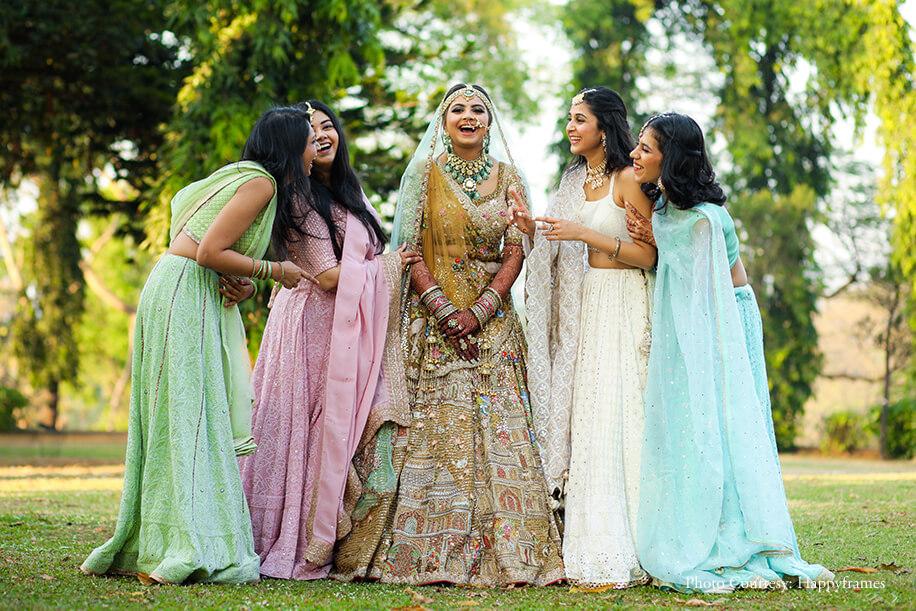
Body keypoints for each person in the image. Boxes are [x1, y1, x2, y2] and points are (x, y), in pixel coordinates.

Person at [332, 84, 564, 586]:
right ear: (444, 122)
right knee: (427, 432)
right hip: (430, 322)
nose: (468, 115)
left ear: (490, 122)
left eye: (478, 109)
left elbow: (516, 249)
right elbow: (410, 247)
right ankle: (418, 551)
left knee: (501, 431)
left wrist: (480, 310)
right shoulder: (424, 173)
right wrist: (441, 308)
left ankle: (513, 551)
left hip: (493, 324)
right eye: (457, 109)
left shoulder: (511, 177)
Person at [80, 107, 319, 585]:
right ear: (292, 146)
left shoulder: (240, 176)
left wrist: (244, 282)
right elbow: (209, 251)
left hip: (178, 286)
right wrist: (275, 271)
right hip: (184, 292)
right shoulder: (261, 183)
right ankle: (185, 545)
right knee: (191, 417)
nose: (316, 150)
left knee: (183, 416)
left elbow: (207, 246)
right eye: (311, 140)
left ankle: (163, 541)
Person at [627, 112, 834, 592]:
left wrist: (655, 241)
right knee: (692, 427)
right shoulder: (665, 209)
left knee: (724, 428)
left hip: (725, 323)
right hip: (691, 322)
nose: (635, 154)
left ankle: (736, 542)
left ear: (670, 159)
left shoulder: (704, 218)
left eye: (645, 149)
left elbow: (708, 293)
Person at [238, 100, 419, 580]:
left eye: (327, 125)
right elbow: (328, 276)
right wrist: (393, 265)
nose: (320, 135)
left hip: (344, 324)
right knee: (307, 426)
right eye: (309, 129)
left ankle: (342, 539)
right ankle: (293, 535)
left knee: (334, 430)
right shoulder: (297, 197)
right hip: (311, 327)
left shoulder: (346, 192)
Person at [510, 87, 656, 587]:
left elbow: (649, 256)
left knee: (624, 409)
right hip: (587, 305)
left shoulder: (627, 178)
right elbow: (557, 237)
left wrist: (584, 234)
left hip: (624, 300)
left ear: (604, 127)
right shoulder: (574, 180)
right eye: (569, 118)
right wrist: (531, 228)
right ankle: (593, 534)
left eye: (580, 119)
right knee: (591, 415)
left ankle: (642, 536)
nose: (570, 128)